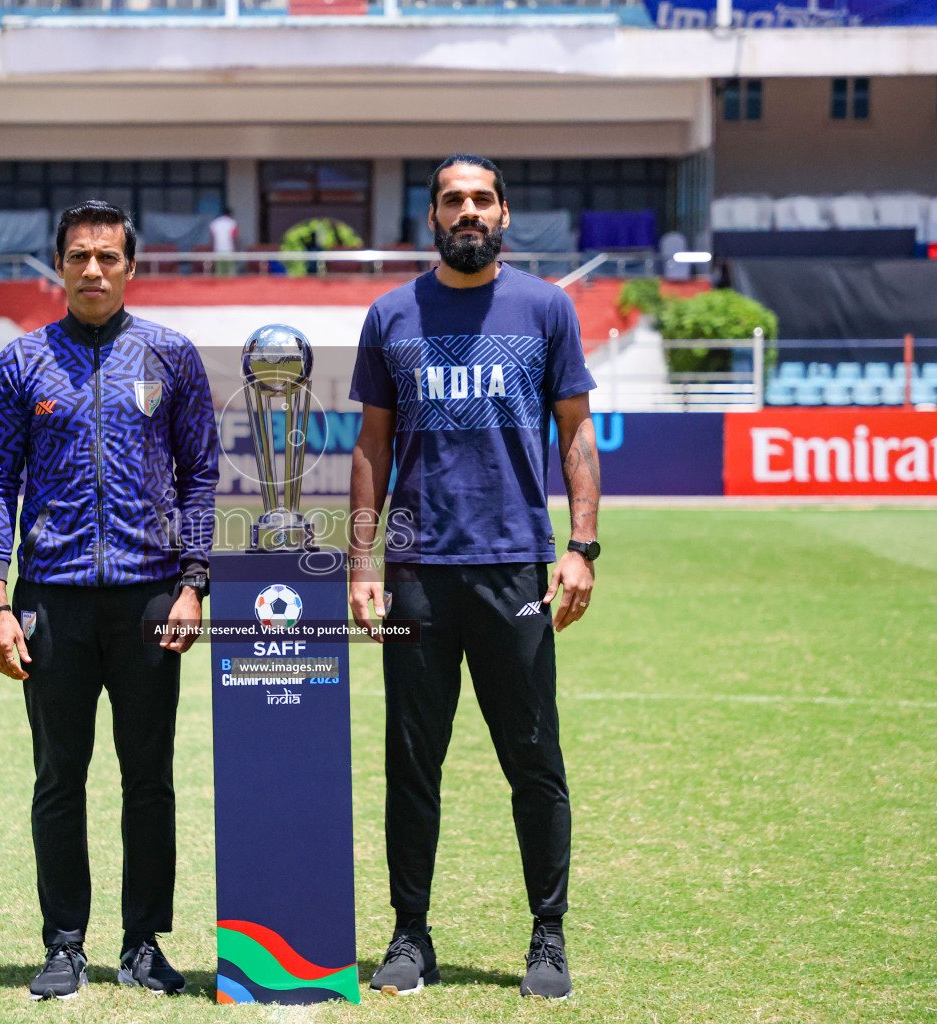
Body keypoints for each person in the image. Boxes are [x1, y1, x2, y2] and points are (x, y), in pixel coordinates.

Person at [346, 154, 601, 1001]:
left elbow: (575, 433)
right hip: (416, 573)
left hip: (516, 569)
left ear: (503, 213)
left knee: (533, 759)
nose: (468, 212)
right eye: (453, 200)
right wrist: (362, 561)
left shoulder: (545, 307)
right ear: (432, 217)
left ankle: (549, 936)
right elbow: (372, 445)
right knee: (413, 762)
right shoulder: (390, 314)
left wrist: (582, 546)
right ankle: (410, 936)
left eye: (481, 200)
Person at [0, 200, 219, 1001]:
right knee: (59, 777)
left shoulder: (172, 356)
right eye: (79, 256)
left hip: (152, 597)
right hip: (53, 599)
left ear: (130, 265)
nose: (92, 270)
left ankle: (144, 943)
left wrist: (193, 584)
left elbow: (201, 476)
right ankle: (64, 944)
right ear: (58, 265)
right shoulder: (21, 363)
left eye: (107, 257)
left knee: (149, 777)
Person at [208, 206, 239, 276]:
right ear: (230, 214)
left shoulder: (214, 223)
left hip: (218, 249)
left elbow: (212, 238)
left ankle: (219, 286)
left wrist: (213, 249)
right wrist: (235, 249)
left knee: (220, 272)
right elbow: (234, 238)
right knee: (230, 272)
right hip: (229, 250)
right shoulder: (232, 223)